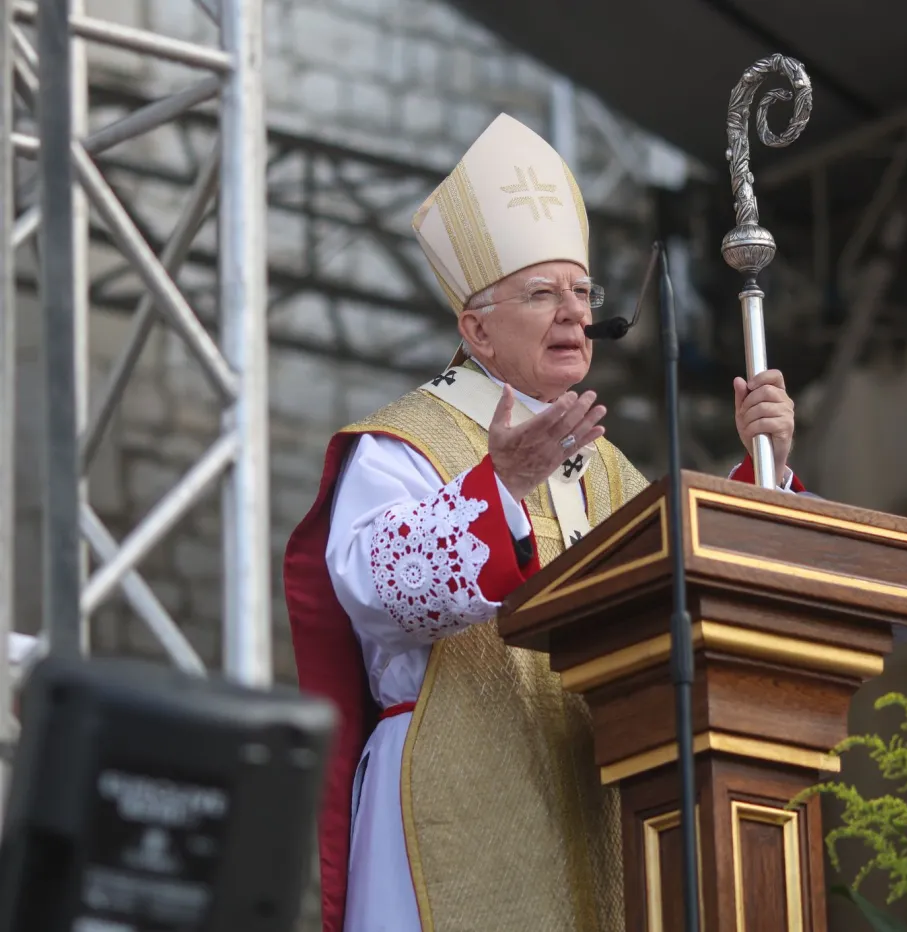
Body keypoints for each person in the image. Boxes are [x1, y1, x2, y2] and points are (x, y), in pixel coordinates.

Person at [283, 113, 807, 932]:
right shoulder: (401, 444)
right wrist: (500, 488)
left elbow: (693, 585)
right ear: (475, 327)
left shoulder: (605, 467)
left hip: (591, 790)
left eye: (583, 291)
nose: (573, 314)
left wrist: (762, 474)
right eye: (540, 293)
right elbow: (374, 585)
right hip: (449, 793)